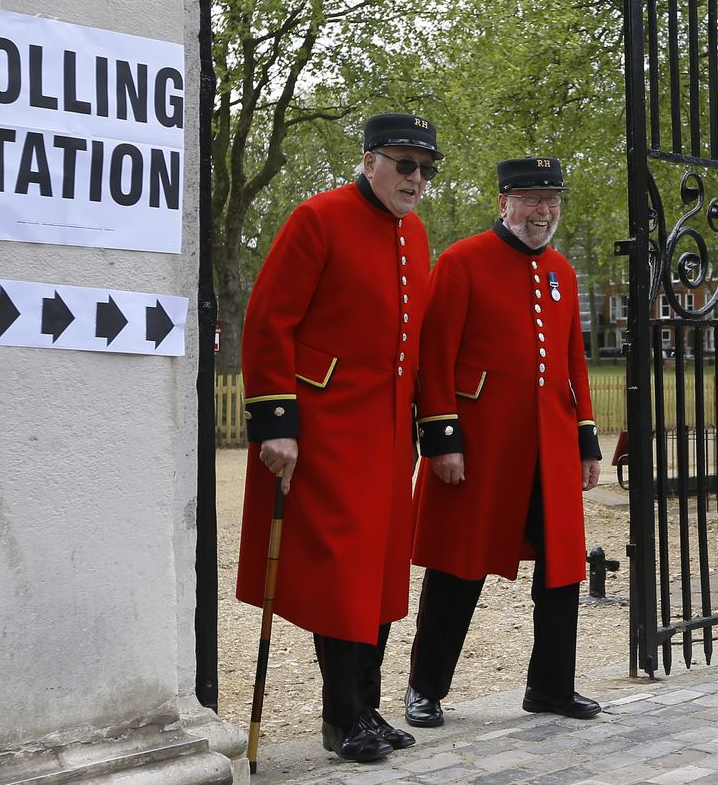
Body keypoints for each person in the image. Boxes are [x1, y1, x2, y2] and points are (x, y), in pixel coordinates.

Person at [235, 113, 441, 762]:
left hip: (386, 433)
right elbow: (269, 321)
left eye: (426, 168)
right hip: (326, 429)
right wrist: (277, 423)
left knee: (379, 575)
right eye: (405, 164)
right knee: (342, 575)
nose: (416, 179)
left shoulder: (415, 234)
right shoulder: (317, 218)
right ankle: (341, 717)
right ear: (369, 159)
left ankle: (368, 708)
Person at [404, 156, 603, 729]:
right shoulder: (463, 261)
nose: (544, 211)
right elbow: (435, 356)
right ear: (504, 203)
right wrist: (442, 438)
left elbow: (573, 362)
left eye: (553, 200)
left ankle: (551, 688)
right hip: (481, 445)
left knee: (562, 568)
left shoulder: (563, 272)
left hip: (551, 443)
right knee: (458, 566)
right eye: (533, 199)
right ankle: (425, 688)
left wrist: (586, 441)